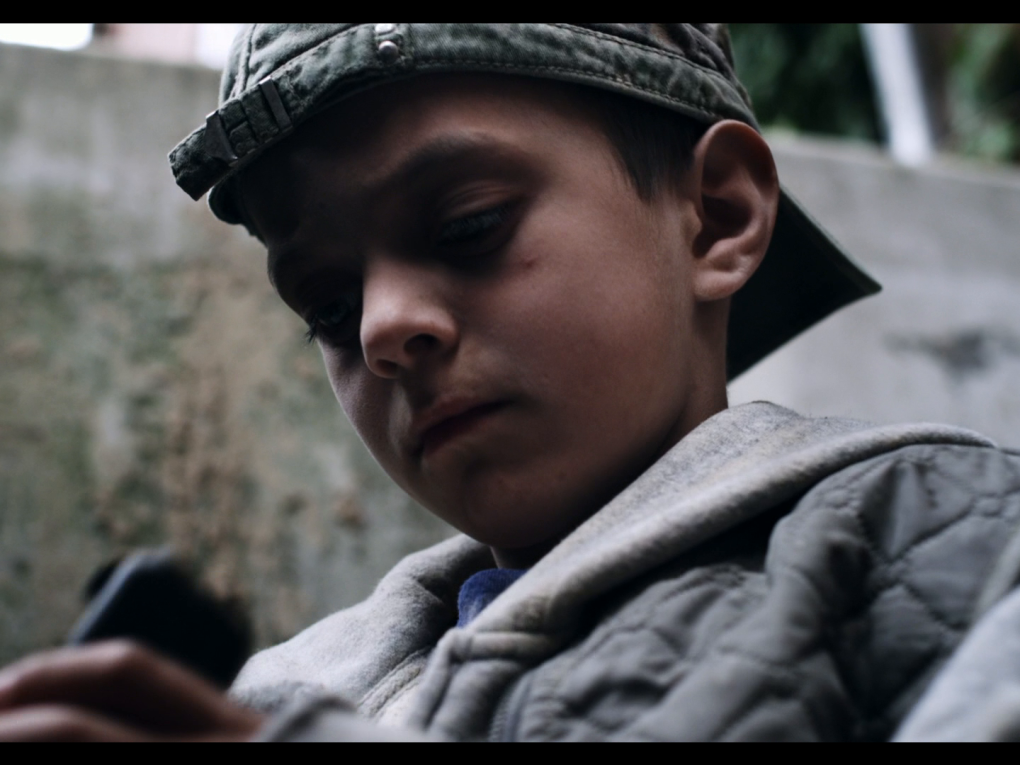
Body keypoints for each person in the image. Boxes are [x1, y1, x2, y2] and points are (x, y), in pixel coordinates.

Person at [3, 23, 1020, 741]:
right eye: (327, 304)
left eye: (468, 227)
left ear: (715, 214)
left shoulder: (956, 551)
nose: (383, 327)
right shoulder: (277, 691)